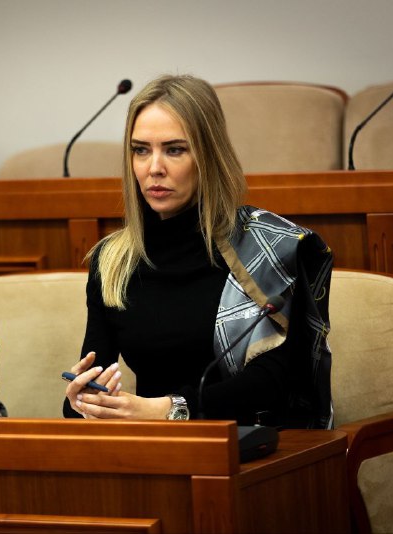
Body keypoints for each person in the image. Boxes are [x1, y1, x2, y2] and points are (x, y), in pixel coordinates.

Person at [63, 75, 333, 428]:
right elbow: (93, 381)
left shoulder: (266, 248)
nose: (154, 168)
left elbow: (277, 381)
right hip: (154, 446)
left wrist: (169, 409)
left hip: (252, 442)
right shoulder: (113, 260)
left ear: (208, 155)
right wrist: (83, 399)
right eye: (141, 150)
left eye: (174, 150)